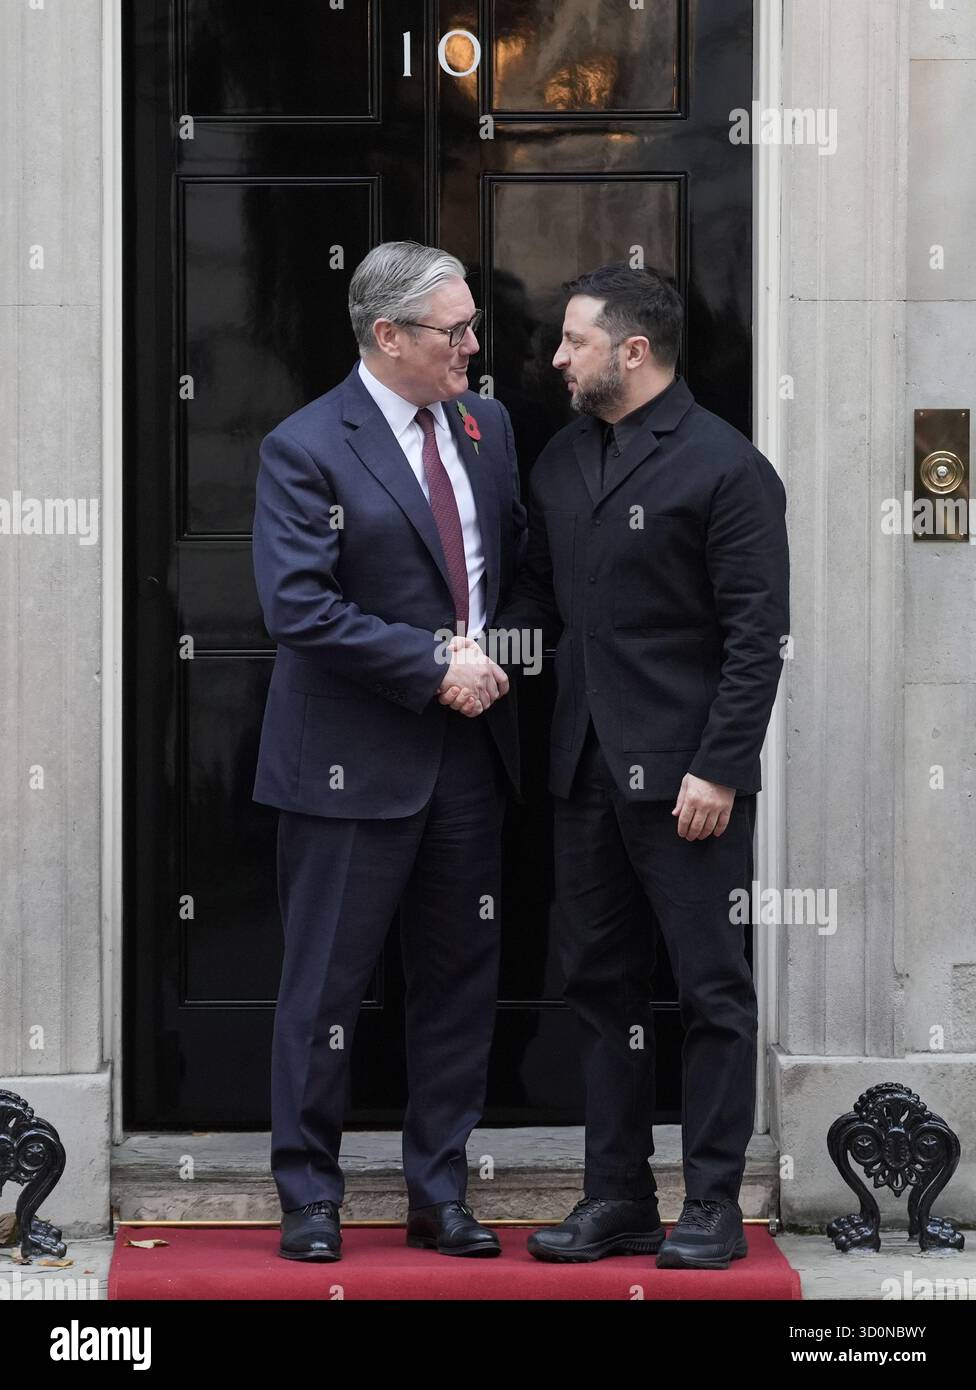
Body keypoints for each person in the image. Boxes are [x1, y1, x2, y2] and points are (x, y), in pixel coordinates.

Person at [444, 263, 790, 1269]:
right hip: (582, 778)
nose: (553, 356)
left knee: (712, 991)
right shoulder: (557, 462)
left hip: (690, 786)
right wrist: (469, 657)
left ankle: (713, 1204)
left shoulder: (726, 469)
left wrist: (719, 769)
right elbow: (537, 605)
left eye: (572, 341)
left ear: (632, 352)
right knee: (598, 986)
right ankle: (618, 1197)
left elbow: (755, 637)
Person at [251, 240, 524, 1261]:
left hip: (468, 754)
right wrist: (430, 661)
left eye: (469, 325)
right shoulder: (306, 445)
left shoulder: (485, 424)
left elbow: (514, 564)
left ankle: (439, 1191)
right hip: (346, 759)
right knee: (323, 988)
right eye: (453, 330)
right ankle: (310, 1197)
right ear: (388, 336)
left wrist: (498, 651)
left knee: (459, 979)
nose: (471, 343)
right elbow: (298, 607)